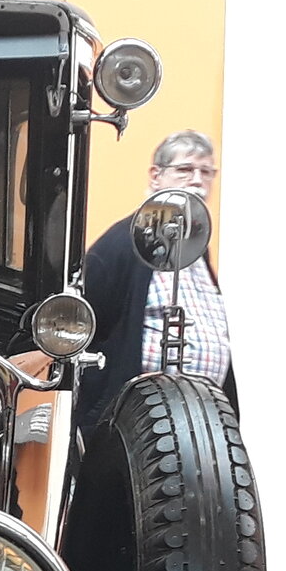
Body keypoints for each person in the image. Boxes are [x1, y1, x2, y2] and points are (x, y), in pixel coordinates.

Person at [77, 128, 233, 427]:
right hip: (141, 422)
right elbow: (83, 326)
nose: (197, 180)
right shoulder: (122, 243)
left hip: (200, 418)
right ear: (156, 176)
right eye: (185, 169)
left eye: (206, 172)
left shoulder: (197, 248)